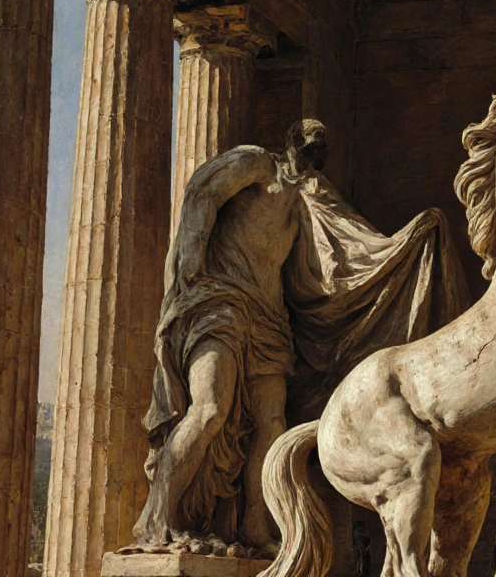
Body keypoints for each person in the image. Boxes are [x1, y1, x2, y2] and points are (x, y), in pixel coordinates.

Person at [129, 119, 469, 555]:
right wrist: (191, 261)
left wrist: (410, 241)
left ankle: (255, 525)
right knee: (210, 408)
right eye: (312, 145)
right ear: (291, 142)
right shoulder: (256, 164)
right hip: (221, 301)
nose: (317, 155)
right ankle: (158, 519)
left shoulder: (312, 196)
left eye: (323, 149)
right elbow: (204, 191)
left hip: (269, 318)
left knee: (272, 424)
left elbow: (353, 245)